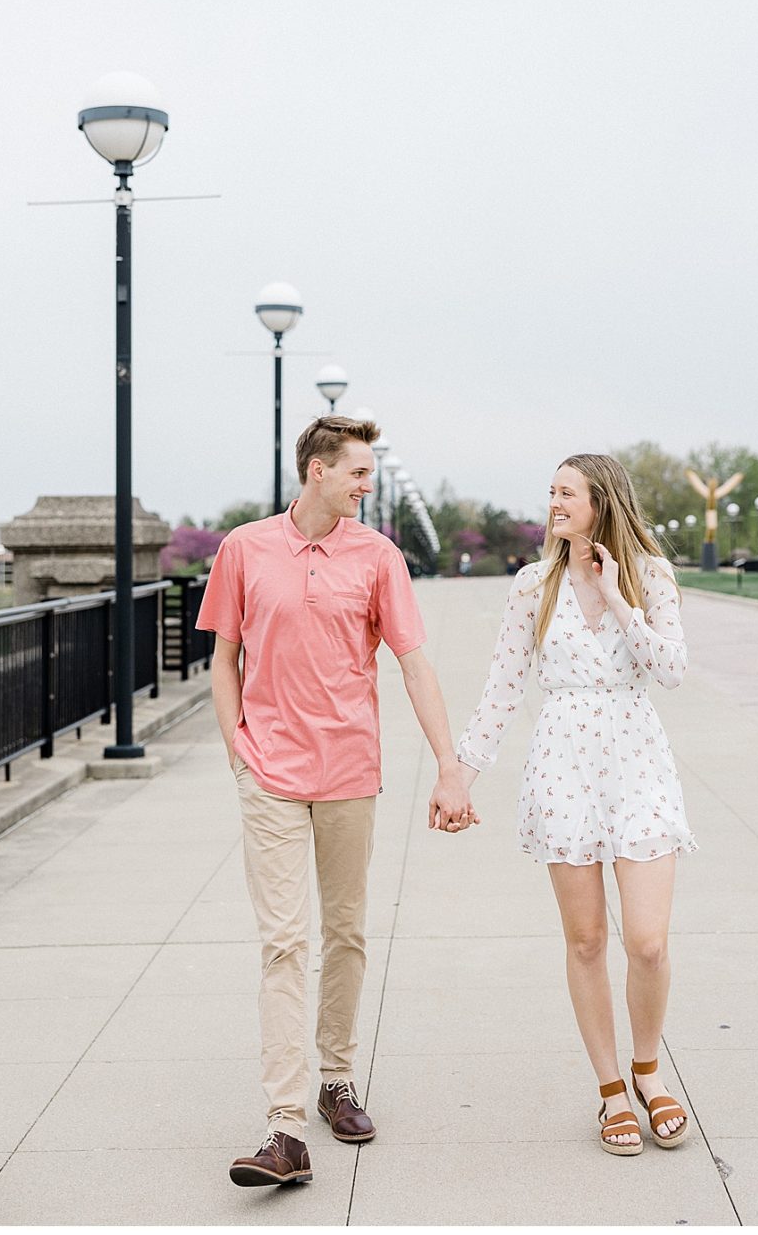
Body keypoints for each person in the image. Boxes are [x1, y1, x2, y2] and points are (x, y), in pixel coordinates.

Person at [196, 415, 477, 1189]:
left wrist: (449, 767)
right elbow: (223, 657)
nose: (367, 484)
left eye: (370, 472)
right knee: (284, 943)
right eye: (357, 471)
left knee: (345, 933)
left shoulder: (377, 556)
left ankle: (336, 1080)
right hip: (270, 774)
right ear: (316, 470)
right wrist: (238, 751)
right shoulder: (244, 548)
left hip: (349, 769)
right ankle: (284, 1127)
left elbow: (414, 666)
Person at [453, 453, 697, 1156]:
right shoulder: (533, 585)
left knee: (647, 943)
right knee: (586, 940)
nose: (554, 503)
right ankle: (611, 1090)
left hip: (636, 761)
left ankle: (647, 1070)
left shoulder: (650, 575)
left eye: (566, 493)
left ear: (601, 502)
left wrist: (618, 597)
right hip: (562, 763)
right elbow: (503, 687)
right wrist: (460, 775)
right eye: (551, 492)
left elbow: (671, 670)